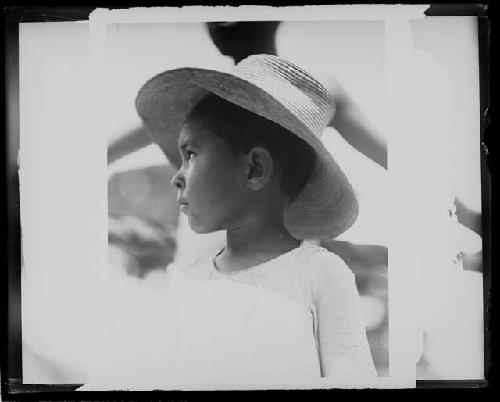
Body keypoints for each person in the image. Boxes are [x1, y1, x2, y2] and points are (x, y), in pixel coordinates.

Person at [131, 54, 377, 386]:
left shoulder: (318, 274)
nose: (176, 177)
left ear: (254, 168)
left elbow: (352, 380)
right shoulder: (184, 281)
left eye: (190, 154)